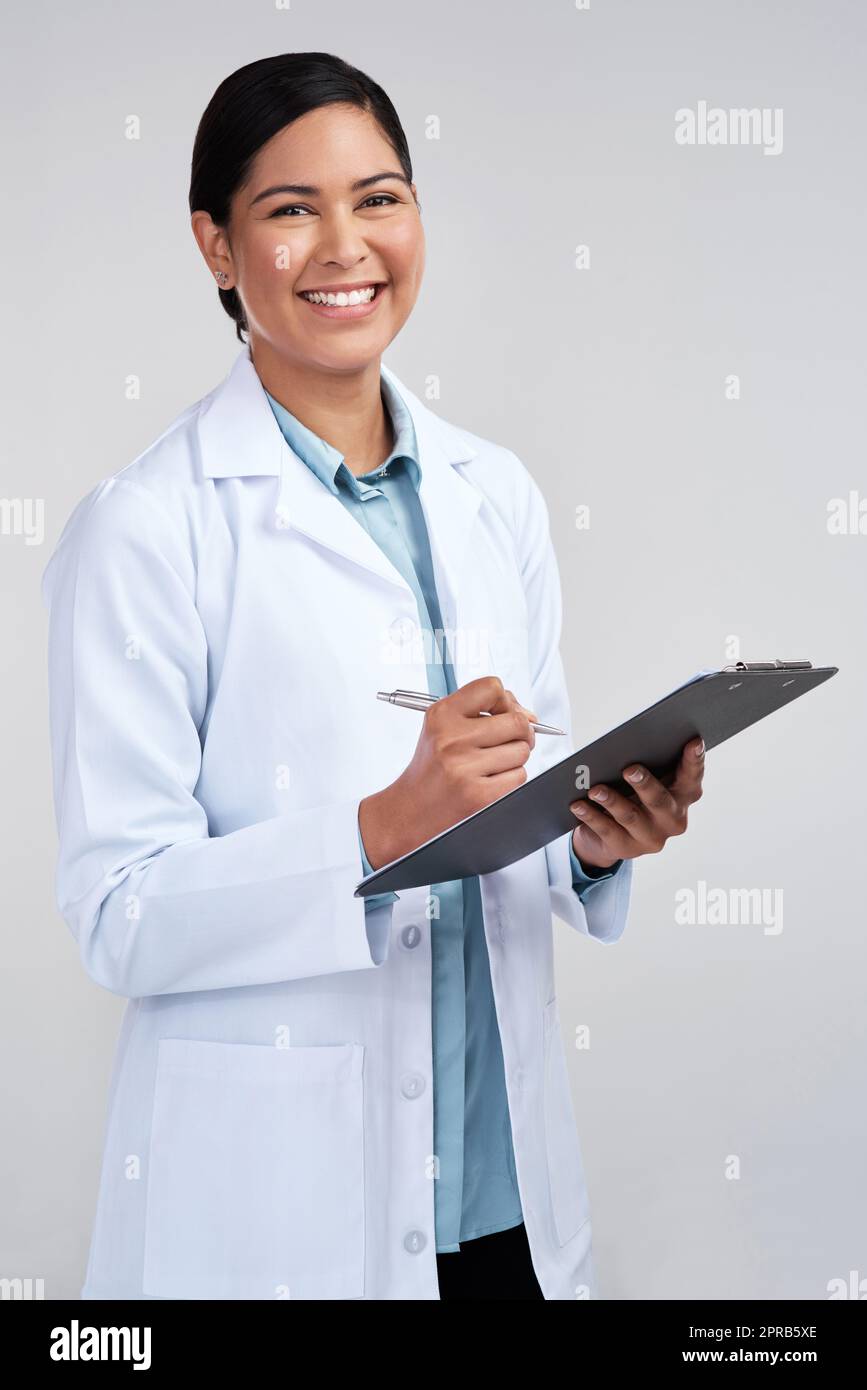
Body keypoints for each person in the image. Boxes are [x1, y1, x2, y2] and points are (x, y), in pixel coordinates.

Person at [41, 52, 705, 1301]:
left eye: (380, 197)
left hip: (503, 1199)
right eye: (291, 209)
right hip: (284, 1218)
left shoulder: (491, 493)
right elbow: (117, 909)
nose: (347, 245)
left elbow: (523, 818)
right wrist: (380, 828)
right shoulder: (144, 526)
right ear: (217, 246)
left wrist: (598, 838)